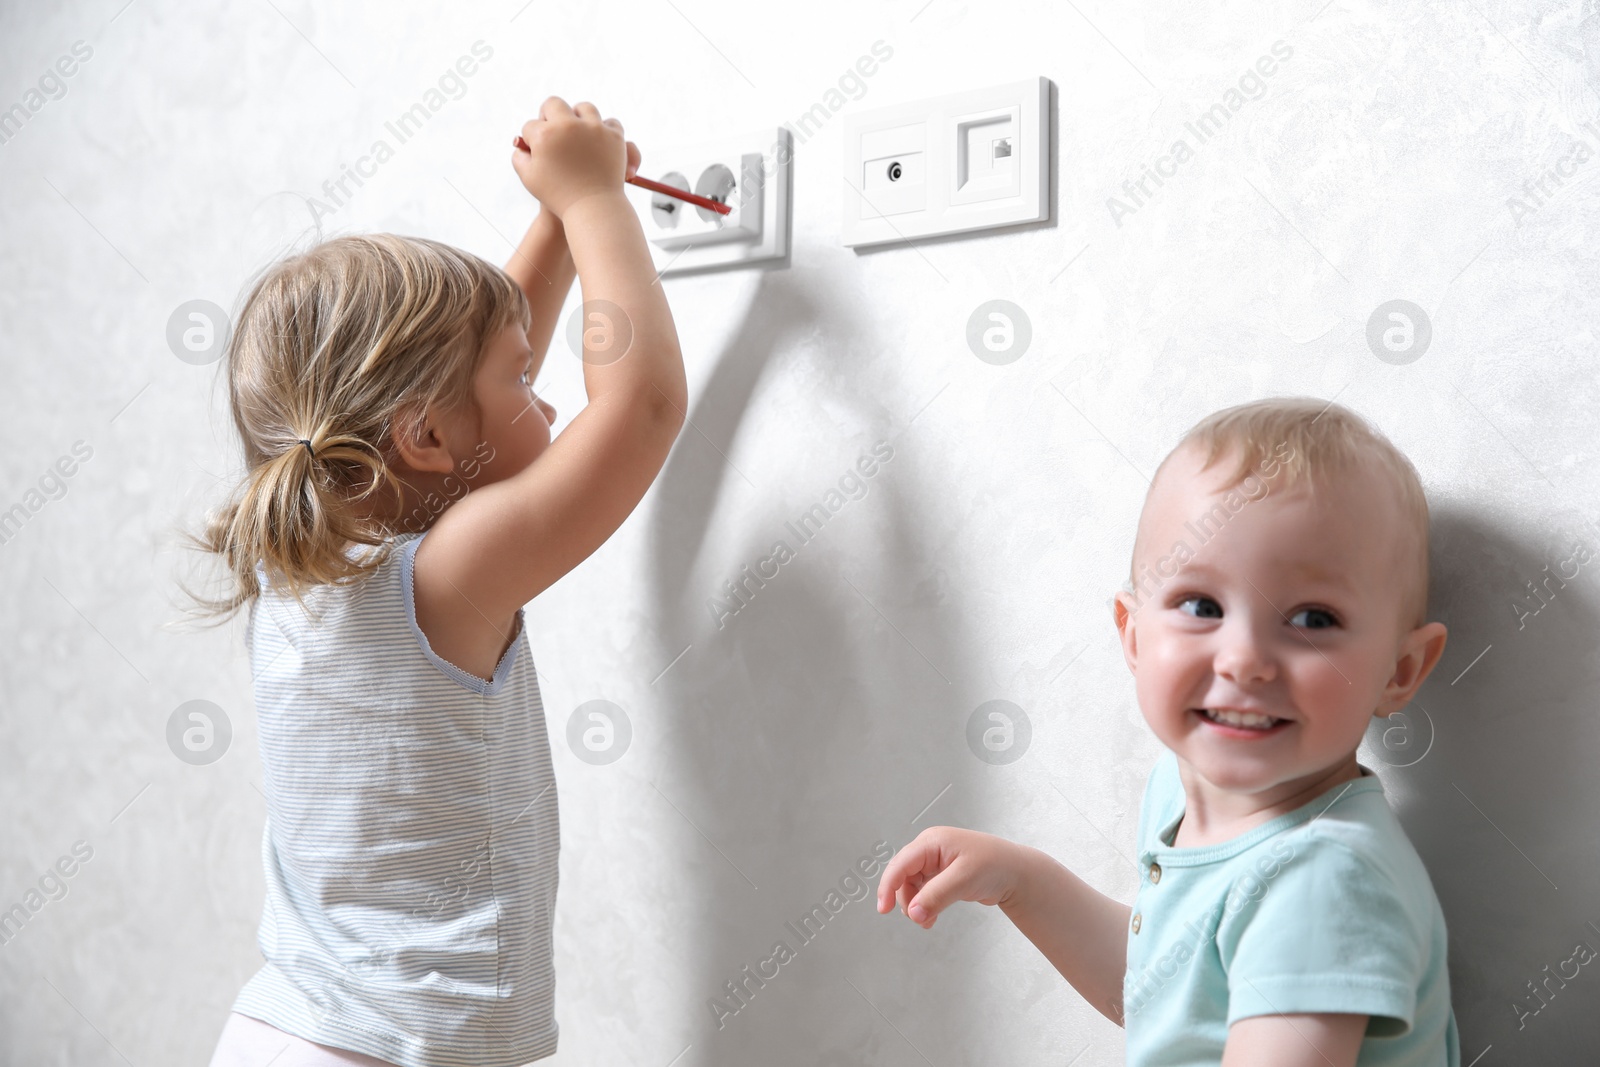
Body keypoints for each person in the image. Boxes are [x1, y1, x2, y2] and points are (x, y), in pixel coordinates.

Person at [185, 97, 686, 1066]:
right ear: (424, 437)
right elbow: (643, 405)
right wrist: (593, 199)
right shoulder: (450, 571)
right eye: (520, 378)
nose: (540, 388)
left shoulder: (298, 558)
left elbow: (470, 392)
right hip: (395, 1048)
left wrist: (556, 218)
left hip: (285, 1029)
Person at [876, 397, 1460, 1066]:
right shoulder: (1181, 793)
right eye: (1202, 605)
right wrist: (1022, 882)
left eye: (1312, 618)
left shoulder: (1323, 878)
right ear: (1132, 633)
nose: (1243, 657)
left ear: (1400, 669)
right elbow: (1164, 996)